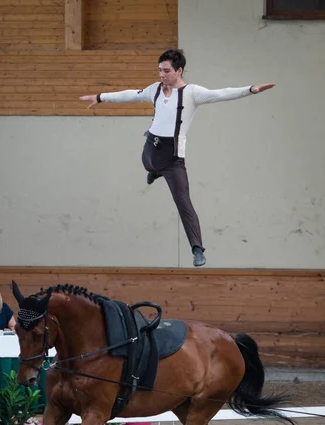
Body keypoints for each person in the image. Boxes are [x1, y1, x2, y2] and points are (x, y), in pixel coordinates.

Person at [80, 49, 275, 267]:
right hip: (151, 148)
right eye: (159, 70)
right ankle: (154, 172)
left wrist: (251, 90)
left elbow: (221, 93)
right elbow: (129, 94)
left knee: (183, 202)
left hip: (172, 157)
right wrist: (100, 97)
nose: (161, 75)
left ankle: (197, 249)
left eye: (166, 71)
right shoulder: (154, 89)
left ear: (179, 70)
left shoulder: (192, 93)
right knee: (148, 164)